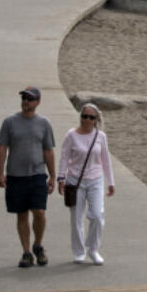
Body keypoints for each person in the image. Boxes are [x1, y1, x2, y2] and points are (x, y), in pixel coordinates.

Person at [0, 86, 56, 268]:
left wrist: (52, 176)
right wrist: (0, 173)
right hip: (16, 175)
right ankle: (26, 251)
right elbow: (2, 148)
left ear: (38, 102)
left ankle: (38, 245)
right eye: (24, 98)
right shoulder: (10, 122)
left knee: (39, 212)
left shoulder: (44, 123)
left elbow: (48, 151)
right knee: (21, 214)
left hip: (37, 174)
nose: (26, 101)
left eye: (30, 99)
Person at [57, 103, 115, 265]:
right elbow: (64, 157)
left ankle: (93, 249)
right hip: (75, 180)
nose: (87, 120)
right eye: (84, 116)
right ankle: (78, 251)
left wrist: (111, 182)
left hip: (96, 179)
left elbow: (106, 160)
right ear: (80, 117)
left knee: (97, 215)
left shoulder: (100, 136)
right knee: (76, 217)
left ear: (96, 120)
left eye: (91, 117)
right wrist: (61, 178)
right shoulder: (71, 135)